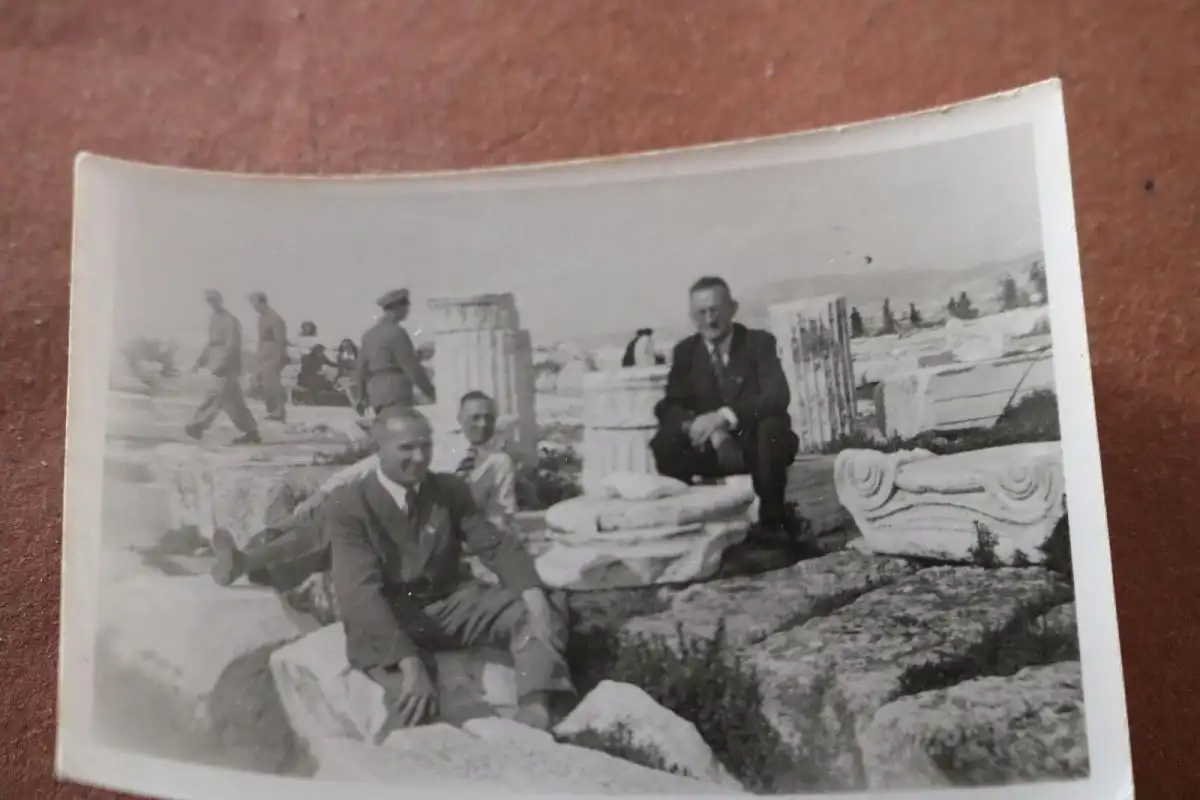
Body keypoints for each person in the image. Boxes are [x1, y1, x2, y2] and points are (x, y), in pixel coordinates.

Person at [213, 405, 570, 732]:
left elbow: (495, 545)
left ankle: (536, 705)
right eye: (407, 448)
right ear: (380, 449)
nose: (420, 458)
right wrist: (408, 661)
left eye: (425, 446)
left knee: (542, 602)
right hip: (388, 616)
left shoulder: (448, 490)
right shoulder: (351, 504)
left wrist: (531, 592)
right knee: (414, 704)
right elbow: (360, 592)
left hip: (450, 604)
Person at [210, 390, 519, 585]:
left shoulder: (499, 462)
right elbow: (371, 465)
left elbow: (501, 514)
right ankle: (250, 558)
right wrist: (324, 491)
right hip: (396, 506)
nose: (481, 424)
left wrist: (473, 539)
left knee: (335, 530)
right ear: (460, 418)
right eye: (474, 417)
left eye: (488, 418)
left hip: (434, 527)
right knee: (327, 517)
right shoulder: (434, 445)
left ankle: (249, 560)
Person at [650, 276, 804, 545]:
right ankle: (686, 527)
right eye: (701, 312)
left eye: (715, 310)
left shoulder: (758, 343)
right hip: (710, 448)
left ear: (732, 308)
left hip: (756, 447)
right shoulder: (685, 352)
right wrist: (697, 426)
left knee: (772, 426)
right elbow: (669, 404)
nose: (709, 320)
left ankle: (772, 523)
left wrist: (723, 418)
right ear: (692, 317)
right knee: (664, 440)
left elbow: (777, 395)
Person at [185, 290, 260, 445]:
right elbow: (211, 343)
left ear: (220, 300)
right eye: (209, 301)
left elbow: (233, 344)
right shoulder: (214, 319)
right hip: (215, 362)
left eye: (214, 300)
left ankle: (198, 425)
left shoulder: (230, 320)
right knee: (234, 401)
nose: (212, 303)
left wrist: (224, 363)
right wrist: (201, 360)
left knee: (215, 394)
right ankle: (251, 431)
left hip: (227, 365)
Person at [355, 289, 436, 416]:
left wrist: (360, 397)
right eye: (406, 307)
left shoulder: (369, 335)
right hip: (396, 393)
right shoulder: (397, 333)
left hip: (376, 394)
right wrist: (431, 392)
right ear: (398, 308)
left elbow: (360, 369)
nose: (408, 311)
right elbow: (412, 369)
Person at [250, 291, 289, 422]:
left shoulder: (275, 318)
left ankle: (279, 412)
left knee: (273, 385)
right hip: (264, 355)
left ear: (263, 302)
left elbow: (280, 340)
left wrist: (280, 358)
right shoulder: (262, 318)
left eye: (255, 303)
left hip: (273, 355)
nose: (254, 307)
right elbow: (261, 340)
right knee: (267, 386)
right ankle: (272, 411)